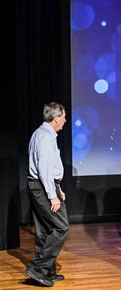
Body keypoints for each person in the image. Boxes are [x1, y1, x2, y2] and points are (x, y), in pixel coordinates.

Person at [25, 102, 70, 287]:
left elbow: (48, 168)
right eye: (64, 117)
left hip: (42, 186)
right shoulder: (45, 137)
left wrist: (58, 188)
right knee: (61, 227)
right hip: (42, 188)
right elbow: (43, 170)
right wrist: (53, 195)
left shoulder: (43, 134)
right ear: (56, 117)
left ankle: (46, 271)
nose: (66, 121)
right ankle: (39, 268)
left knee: (44, 230)